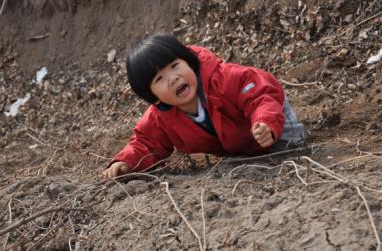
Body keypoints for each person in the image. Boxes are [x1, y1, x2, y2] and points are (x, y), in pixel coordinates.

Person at [102, 34, 304, 179]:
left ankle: (287, 142)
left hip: (268, 119)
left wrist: (266, 122)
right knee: (248, 159)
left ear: (189, 63)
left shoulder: (222, 79)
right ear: (153, 97)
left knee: (290, 150)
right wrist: (126, 163)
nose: (173, 78)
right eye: (160, 78)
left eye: (175, 66)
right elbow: (146, 143)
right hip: (237, 144)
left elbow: (260, 95)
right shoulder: (161, 117)